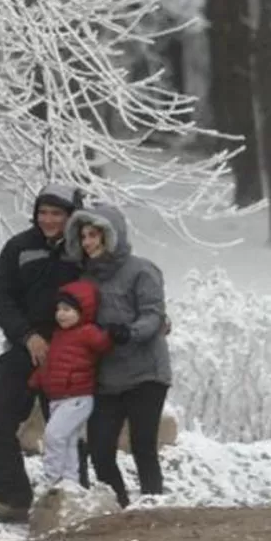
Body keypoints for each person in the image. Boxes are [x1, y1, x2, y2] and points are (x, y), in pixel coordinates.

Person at [0, 183, 85, 523]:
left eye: (57, 213)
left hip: (69, 355)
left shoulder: (83, 249)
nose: (49, 220)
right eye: (43, 212)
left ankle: (71, 498)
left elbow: (103, 294)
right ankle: (13, 496)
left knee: (66, 430)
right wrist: (27, 336)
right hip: (23, 349)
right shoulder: (19, 247)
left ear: (72, 215)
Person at [65, 204, 172, 508]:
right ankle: (121, 509)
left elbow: (153, 314)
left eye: (94, 235)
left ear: (111, 236)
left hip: (146, 372)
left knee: (143, 446)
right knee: (99, 449)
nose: (88, 242)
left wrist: (130, 331)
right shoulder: (84, 278)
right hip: (107, 377)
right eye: (83, 236)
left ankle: (153, 507)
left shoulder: (142, 270)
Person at [28, 280, 111, 492]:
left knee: (54, 435)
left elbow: (103, 343)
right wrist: (37, 380)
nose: (61, 314)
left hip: (77, 397)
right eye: (58, 309)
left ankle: (52, 479)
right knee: (69, 442)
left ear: (82, 311)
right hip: (58, 398)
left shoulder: (87, 332)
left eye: (67, 309)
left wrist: (112, 334)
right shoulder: (58, 335)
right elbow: (51, 363)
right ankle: (70, 484)